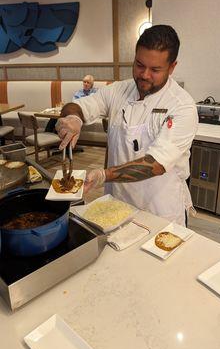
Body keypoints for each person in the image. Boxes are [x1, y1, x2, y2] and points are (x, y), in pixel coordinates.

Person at [56, 25, 198, 226]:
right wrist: (74, 118)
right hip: (117, 205)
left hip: (160, 209)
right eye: (139, 65)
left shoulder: (182, 106)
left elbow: (156, 165)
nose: (145, 75)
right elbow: (76, 106)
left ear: (172, 67)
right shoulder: (118, 90)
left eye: (155, 69)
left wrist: (103, 175)